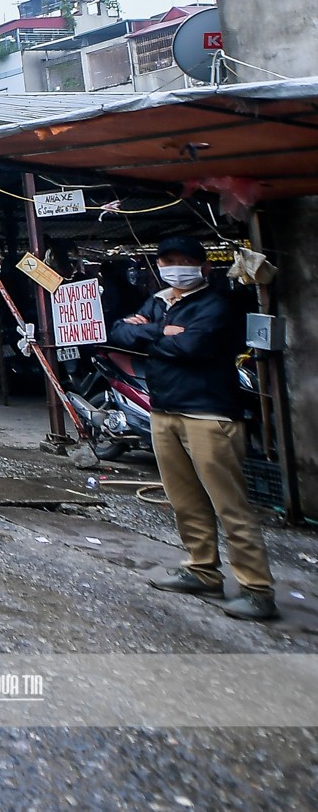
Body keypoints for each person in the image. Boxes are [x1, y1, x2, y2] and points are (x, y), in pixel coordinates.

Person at [110, 236, 277, 621]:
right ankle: (202, 569)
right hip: (164, 409)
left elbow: (194, 348)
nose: (173, 267)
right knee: (184, 500)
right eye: (166, 260)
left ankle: (257, 590)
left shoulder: (217, 303)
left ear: (202, 266)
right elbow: (119, 333)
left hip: (209, 414)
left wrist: (151, 332)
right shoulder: (159, 300)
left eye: (182, 260)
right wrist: (161, 333)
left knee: (229, 505)